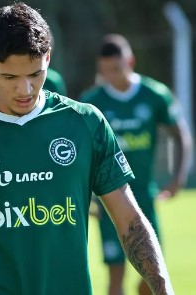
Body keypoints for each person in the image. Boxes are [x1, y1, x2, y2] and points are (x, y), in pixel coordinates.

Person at [0, 3, 174, 295]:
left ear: (48, 58)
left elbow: (130, 222)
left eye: (35, 74)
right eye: (10, 77)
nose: (25, 90)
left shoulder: (86, 124)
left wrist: (163, 288)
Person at [81, 34, 192, 295]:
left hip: (144, 195)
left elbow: (181, 135)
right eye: (105, 71)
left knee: (153, 272)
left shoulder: (154, 94)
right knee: (115, 275)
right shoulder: (92, 101)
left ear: (130, 61)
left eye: (116, 69)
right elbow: (80, 152)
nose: (111, 76)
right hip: (109, 196)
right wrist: (86, 198)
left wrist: (178, 178)